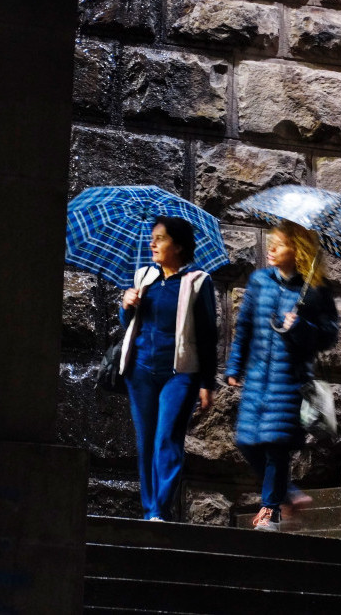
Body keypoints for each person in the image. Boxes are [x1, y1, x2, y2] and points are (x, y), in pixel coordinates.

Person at [226, 220, 339, 531]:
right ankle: (288, 494)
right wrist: (234, 366)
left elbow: (329, 336)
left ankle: (270, 513)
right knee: (246, 442)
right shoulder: (259, 281)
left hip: (290, 381)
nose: (271, 248)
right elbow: (244, 327)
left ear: (298, 251)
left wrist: (300, 326)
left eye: (280, 244)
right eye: (271, 242)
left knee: (276, 447)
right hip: (257, 377)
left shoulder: (315, 289)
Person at [118, 215, 218, 522]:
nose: (152, 244)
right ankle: (150, 511)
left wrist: (207, 383)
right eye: (152, 239)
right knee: (146, 443)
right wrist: (126, 305)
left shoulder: (198, 281)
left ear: (178, 246)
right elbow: (129, 325)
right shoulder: (144, 277)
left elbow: (208, 335)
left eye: (159, 239)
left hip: (180, 374)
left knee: (167, 438)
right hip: (141, 371)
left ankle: (160, 509)